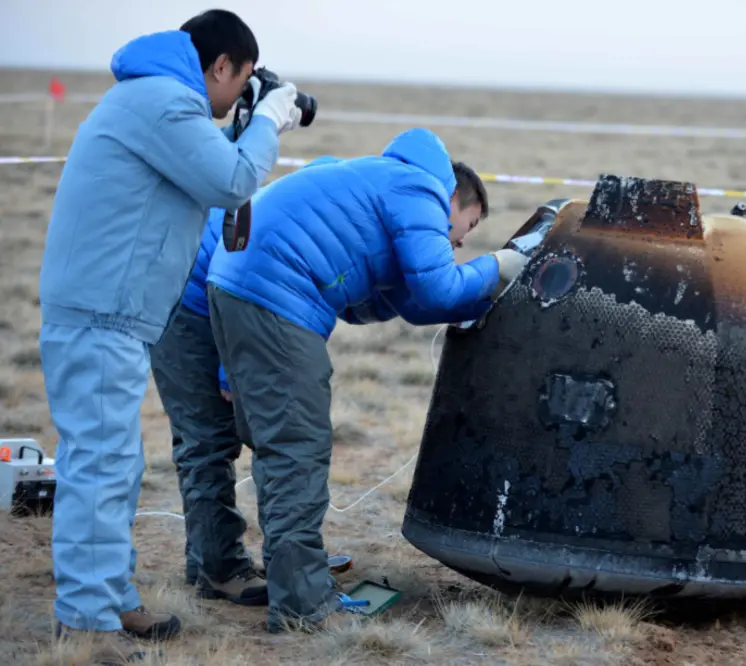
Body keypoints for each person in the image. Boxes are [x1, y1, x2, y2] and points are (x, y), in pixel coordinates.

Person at [36, 8, 305, 660]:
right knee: (100, 465)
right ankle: (85, 618)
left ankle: (111, 599)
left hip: (109, 312)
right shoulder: (166, 103)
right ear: (220, 67)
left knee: (116, 464)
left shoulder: (149, 98)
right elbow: (234, 178)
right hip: (102, 314)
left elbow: (219, 191)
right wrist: (269, 117)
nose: (235, 97)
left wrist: (249, 118)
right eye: (239, 82)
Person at [205, 128, 529, 633]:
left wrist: (483, 297)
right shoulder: (422, 190)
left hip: (236, 284)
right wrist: (498, 268)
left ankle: (293, 578)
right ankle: (302, 604)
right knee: (297, 450)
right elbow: (439, 287)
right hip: (278, 297)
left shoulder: (382, 182)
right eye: (467, 225)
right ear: (455, 200)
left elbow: (414, 300)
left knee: (277, 448)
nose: (462, 240)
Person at [149, 156, 340, 604]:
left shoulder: (287, 212)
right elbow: (233, 284)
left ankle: (206, 561)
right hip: (187, 310)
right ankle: (221, 569)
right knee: (208, 441)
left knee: (202, 440)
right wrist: (228, 371)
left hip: (184, 302)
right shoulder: (288, 226)